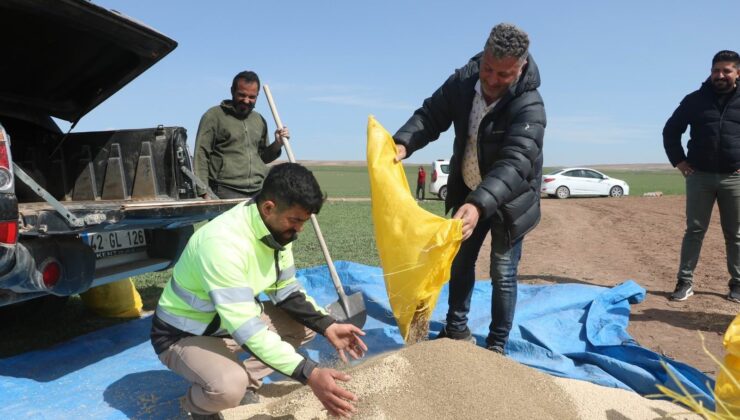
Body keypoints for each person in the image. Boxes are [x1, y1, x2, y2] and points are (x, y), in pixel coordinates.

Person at [151, 163, 368, 419]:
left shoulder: (276, 232)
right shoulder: (222, 244)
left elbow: (286, 291)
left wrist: (328, 325)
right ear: (269, 208)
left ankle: (247, 383)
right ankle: (195, 407)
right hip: (184, 334)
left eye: (304, 221)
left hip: (225, 324)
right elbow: (246, 330)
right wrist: (309, 373)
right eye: (295, 221)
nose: (299, 230)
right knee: (228, 386)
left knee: (307, 326)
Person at [393, 23, 545, 354]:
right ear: (484, 56)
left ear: (520, 68)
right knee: (460, 262)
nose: (491, 80)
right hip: (468, 191)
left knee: (503, 272)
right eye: (489, 69)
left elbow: (516, 162)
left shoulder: (530, 105)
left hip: (510, 200)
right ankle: (456, 331)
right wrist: (402, 143)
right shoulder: (463, 81)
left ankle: (496, 346)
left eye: (503, 75)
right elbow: (431, 116)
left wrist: (479, 204)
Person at [663, 50, 740, 302]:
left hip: (734, 178)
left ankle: (738, 284)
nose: (720, 75)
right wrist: (680, 162)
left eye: (726, 70)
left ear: (737, 73)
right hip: (700, 176)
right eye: (716, 70)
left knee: (736, 233)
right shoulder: (694, 100)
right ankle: (684, 282)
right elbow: (671, 130)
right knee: (694, 230)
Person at [193, 70, 290, 199]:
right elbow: (201, 155)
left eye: (252, 97)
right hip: (225, 190)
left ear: (257, 96)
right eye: (241, 95)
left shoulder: (259, 120)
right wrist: (203, 191)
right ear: (232, 91)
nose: (246, 100)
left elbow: (262, 158)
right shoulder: (214, 116)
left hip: (258, 190)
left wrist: (277, 144)